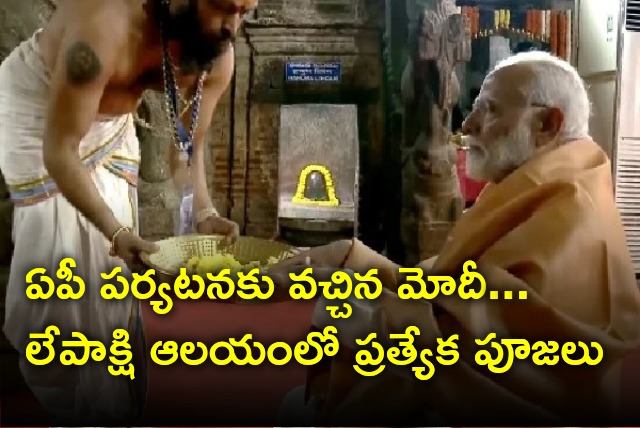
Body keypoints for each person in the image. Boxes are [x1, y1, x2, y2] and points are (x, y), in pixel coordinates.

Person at [271, 51, 640, 426]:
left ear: (546, 123)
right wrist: (355, 258)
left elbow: (459, 339)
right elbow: (452, 287)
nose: (467, 124)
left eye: (490, 110)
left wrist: (345, 295)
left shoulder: (572, 210)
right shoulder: (542, 181)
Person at [0, 0, 252, 424]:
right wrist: (117, 233)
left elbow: (188, 147)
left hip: (109, 123)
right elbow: (60, 151)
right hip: (39, 111)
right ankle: (74, 401)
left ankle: (106, 404)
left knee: (110, 279)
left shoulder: (216, 51)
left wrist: (205, 212)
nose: (233, 27)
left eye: (246, 11)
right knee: (66, 262)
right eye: (225, 9)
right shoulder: (101, 28)